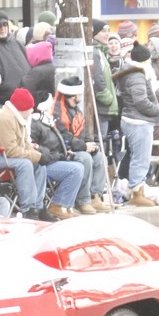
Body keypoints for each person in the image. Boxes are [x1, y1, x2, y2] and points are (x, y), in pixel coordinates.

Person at [0, 87, 54, 222]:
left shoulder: (16, 118)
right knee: (25, 164)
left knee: (38, 164)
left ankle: (38, 207)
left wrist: (38, 156)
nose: (32, 110)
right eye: (30, 107)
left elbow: (24, 145)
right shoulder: (4, 119)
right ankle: (28, 209)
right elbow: (11, 151)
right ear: (23, 108)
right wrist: (37, 156)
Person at [53, 76, 111, 214]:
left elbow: (82, 133)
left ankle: (94, 195)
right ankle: (82, 200)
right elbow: (63, 135)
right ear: (73, 95)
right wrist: (84, 147)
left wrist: (90, 143)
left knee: (100, 157)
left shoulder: (76, 110)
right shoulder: (57, 111)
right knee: (85, 158)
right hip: (62, 150)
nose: (81, 96)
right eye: (79, 94)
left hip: (76, 146)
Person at [112, 43, 159, 206]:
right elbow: (141, 101)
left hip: (132, 118)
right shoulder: (137, 76)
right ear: (145, 60)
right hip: (138, 120)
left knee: (138, 157)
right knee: (141, 159)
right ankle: (136, 193)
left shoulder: (129, 72)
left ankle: (137, 189)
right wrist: (157, 110)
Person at [29, 95, 85, 220]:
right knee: (75, 169)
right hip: (43, 164)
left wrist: (63, 153)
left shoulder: (47, 121)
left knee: (80, 165)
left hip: (53, 159)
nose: (52, 109)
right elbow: (34, 147)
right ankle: (57, 205)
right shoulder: (35, 123)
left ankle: (67, 205)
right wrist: (55, 155)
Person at [0, 9, 30, 106]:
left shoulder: (14, 41)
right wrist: (9, 89)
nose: (3, 29)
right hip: (5, 101)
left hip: (25, 96)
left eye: (5, 25)